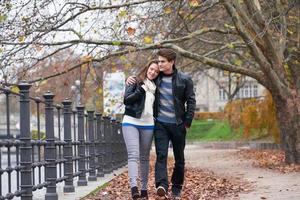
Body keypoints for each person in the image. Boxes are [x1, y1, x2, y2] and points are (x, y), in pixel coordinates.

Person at [126, 49, 196, 199]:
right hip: (160, 124)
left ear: (172, 62)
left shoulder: (184, 79)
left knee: (179, 158)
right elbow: (142, 79)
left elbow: (191, 100)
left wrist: (187, 122)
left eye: (163, 61)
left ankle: (176, 188)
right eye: (158, 61)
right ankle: (162, 185)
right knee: (161, 155)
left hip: (178, 124)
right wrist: (129, 79)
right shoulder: (156, 79)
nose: (159, 64)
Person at [122, 60, 159, 199]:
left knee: (145, 157)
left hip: (148, 124)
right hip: (131, 121)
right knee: (133, 155)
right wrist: (141, 89)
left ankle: (144, 189)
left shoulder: (156, 86)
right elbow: (127, 100)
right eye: (151, 69)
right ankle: (134, 188)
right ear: (147, 68)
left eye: (156, 71)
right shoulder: (135, 81)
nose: (153, 72)